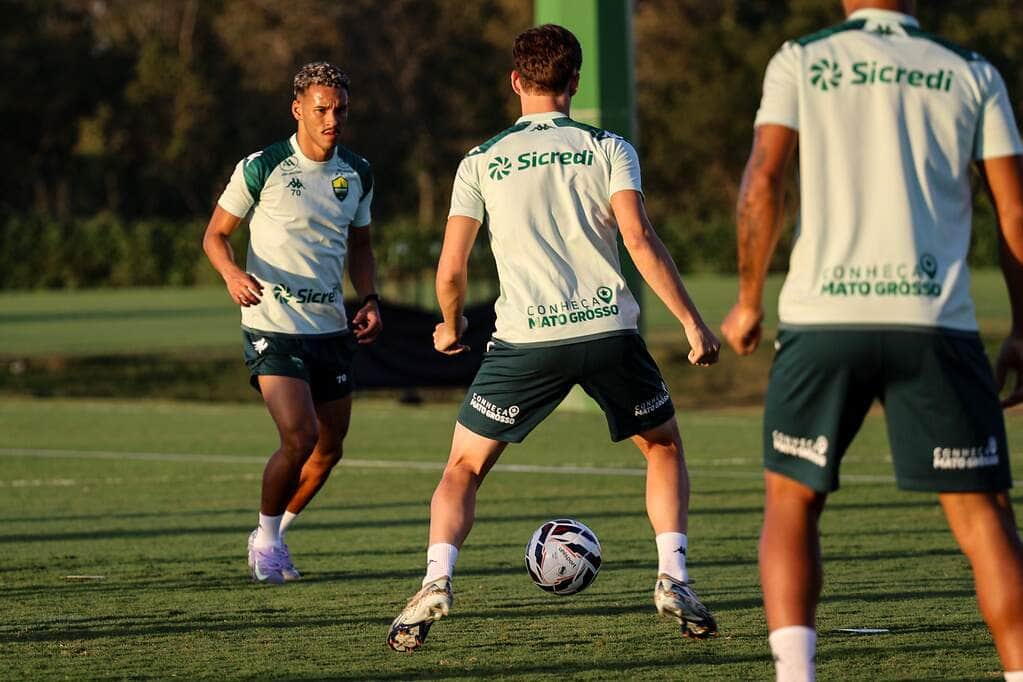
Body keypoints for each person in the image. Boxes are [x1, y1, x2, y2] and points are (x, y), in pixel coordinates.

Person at [386, 24, 721, 653]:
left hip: (523, 342)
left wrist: (453, 325)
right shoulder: (608, 147)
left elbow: (452, 267)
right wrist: (692, 323)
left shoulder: (480, 159)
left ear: (515, 81)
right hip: (607, 331)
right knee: (663, 448)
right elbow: (639, 241)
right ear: (574, 80)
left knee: (463, 467)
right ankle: (672, 574)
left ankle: (436, 579)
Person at [721, 1, 1023, 679]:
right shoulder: (971, 70)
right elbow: (1014, 209)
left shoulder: (800, 58)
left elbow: (761, 179)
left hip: (823, 320)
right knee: (984, 518)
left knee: (791, 499)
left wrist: (746, 301)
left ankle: (794, 674)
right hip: (933, 320)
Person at [202, 61, 382, 585]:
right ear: (297, 108)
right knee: (299, 437)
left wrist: (369, 297)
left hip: (330, 329)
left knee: (329, 450)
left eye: (340, 109)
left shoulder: (358, 172)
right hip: (272, 325)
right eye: (322, 108)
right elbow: (215, 235)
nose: (332, 118)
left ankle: (270, 535)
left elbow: (362, 246)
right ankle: (268, 538)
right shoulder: (263, 166)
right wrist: (232, 273)